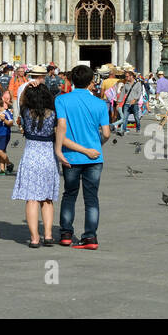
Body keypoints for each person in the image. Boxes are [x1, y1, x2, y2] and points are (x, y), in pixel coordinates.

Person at [54, 64, 110, 249]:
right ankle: (90, 237)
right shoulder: (101, 103)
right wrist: (95, 145)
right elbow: (107, 134)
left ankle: (66, 234)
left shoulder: (61, 100)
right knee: (91, 198)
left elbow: (61, 127)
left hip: (70, 156)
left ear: (70, 80)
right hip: (94, 156)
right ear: (92, 82)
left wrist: (59, 149)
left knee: (69, 194)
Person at [12, 82, 60, 246]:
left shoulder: (26, 112)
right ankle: (48, 235)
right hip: (48, 155)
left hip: (30, 155)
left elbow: (20, 101)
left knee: (31, 199)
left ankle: (34, 238)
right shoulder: (53, 114)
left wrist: (27, 88)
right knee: (47, 199)